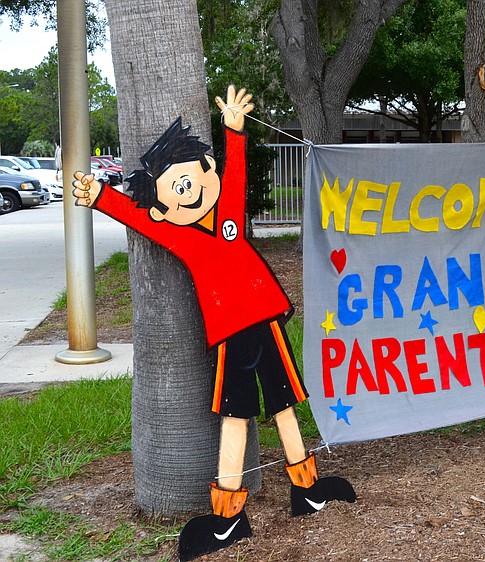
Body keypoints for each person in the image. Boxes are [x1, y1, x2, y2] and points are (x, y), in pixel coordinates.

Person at [73, 85, 355, 560]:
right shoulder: (181, 237)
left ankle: (307, 489)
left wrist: (235, 131)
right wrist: (101, 196)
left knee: (285, 404)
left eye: (196, 178)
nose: (192, 191)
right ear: (163, 207)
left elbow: (236, 174)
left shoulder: (228, 216)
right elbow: (139, 220)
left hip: (266, 322)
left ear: (210, 172)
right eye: (178, 189)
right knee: (236, 415)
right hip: (232, 336)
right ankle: (228, 517)